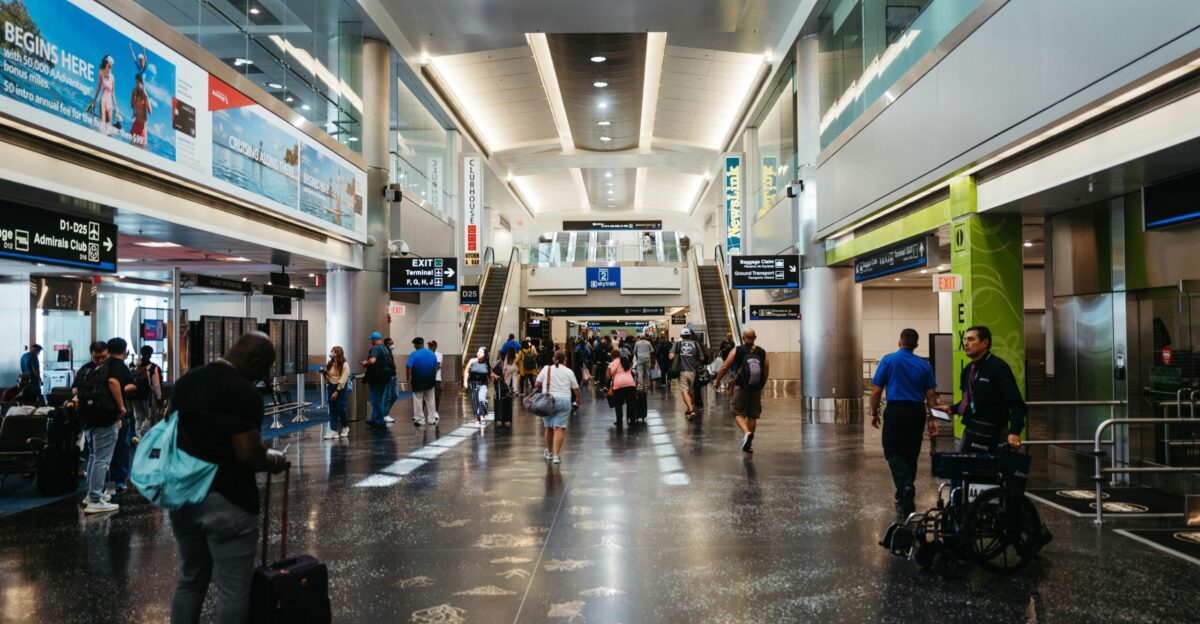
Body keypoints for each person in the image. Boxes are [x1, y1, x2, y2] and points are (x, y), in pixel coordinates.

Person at [168, 332, 291, 624]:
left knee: (190, 578)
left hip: (183, 494)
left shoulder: (186, 382)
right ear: (255, 361)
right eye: (263, 369)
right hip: (227, 498)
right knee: (232, 590)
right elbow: (247, 453)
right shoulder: (243, 391)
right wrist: (273, 461)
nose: (261, 377)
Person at [869, 328, 942, 516]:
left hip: (896, 411)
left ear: (899, 342)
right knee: (911, 452)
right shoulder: (924, 365)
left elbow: (876, 390)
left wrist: (874, 413)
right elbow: (931, 394)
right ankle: (903, 492)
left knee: (893, 450)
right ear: (916, 345)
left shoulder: (888, 360)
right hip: (917, 412)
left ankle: (906, 485)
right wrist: (934, 419)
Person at [957, 326, 1026, 453]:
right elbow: (970, 401)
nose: (965, 343)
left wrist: (1014, 432)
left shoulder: (998, 367)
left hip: (995, 433)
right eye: (965, 339)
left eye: (971, 339)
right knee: (964, 465)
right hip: (971, 430)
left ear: (984, 343)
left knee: (991, 466)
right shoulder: (968, 370)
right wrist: (951, 409)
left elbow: (1017, 403)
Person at [73, 341, 122, 513]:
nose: (100, 360)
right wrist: (121, 408)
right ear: (91, 354)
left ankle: (91, 494)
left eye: (103, 356)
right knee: (101, 459)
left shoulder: (84, 369)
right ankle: (95, 498)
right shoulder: (110, 369)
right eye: (97, 357)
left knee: (94, 457)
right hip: (105, 419)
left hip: (87, 419)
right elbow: (114, 384)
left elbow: (75, 391)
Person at [714, 328, 770, 454]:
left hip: (741, 386)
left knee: (737, 412)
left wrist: (717, 381)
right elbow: (766, 370)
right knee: (752, 416)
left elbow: (724, 367)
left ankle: (746, 433)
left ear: (743, 338)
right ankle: (749, 444)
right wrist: (761, 385)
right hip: (756, 387)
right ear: (755, 338)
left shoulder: (737, 350)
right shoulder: (762, 352)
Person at [105, 338, 138, 494]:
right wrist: (119, 393)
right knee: (121, 448)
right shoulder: (121, 367)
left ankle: (101, 485)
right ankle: (119, 481)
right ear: (125, 351)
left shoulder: (102, 366)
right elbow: (132, 385)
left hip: (101, 414)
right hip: (118, 413)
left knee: (100, 453)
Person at [535, 351, 580, 465]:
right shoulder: (569, 371)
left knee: (548, 428)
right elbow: (576, 388)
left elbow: (537, 384)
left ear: (553, 359)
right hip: (564, 401)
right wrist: (578, 398)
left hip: (547, 401)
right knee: (559, 428)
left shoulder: (546, 369)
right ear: (565, 360)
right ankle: (556, 456)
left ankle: (549, 452)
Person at [359, 331, 394, 429]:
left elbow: (373, 360)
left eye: (371, 339)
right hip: (384, 378)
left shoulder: (375, 348)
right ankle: (375, 419)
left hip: (376, 378)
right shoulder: (385, 349)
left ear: (374, 339)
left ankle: (379, 421)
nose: (371, 341)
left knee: (375, 400)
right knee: (379, 399)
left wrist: (365, 363)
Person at [670, 328, 706, 419]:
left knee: (684, 392)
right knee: (690, 392)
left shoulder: (678, 344)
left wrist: (677, 355)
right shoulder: (696, 344)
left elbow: (671, 356)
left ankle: (691, 409)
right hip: (693, 372)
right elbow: (702, 358)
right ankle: (689, 409)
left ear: (681, 336)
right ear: (689, 335)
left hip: (682, 371)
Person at [132, 345, 164, 442]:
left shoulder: (135, 367)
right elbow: (156, 384)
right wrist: (159, 398)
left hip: (135, 395)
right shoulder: (154, 367)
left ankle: (138, 435)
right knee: (149, 417)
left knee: (138, 416)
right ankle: (142, 437)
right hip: (148, 395)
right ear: (151, 354)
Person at [407, 337, 440, 427]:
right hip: (430, 381)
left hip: (417, 381)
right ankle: (431, 419)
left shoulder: (414, 354)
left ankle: (420, 420)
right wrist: (432, 376)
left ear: (416, 344)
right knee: (430, 400)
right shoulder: (431, 353)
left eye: (414, 344)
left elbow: (409, 367)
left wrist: (408, 379)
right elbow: (436, 367)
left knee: (418, 400)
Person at [321, 346, 350, 439]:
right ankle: (334, 431)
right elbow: (330, 377)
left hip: (341, 387)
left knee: (341, 409)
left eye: (333, 352)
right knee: (332, 409)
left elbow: (343, 379)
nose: (331, 353)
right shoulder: (330, 363)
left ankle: (345, 427)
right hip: (331, 386)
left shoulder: (344, 364)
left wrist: (337, 391)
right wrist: (325, 375)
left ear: (338, 353)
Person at [463, 347, 494, 427]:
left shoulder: (486, 362)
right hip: (473, 383)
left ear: (485, 355)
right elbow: (466, 371)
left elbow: (491, 372)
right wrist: (465, 382)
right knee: (475, 401)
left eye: (481, 352)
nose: (479, 353)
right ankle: (478, 417)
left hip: (483, 384)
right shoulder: (472, 361)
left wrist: (494, 375)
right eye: (478, 351)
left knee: (482, 399)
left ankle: (482, 416)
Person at [606, 347, 637, 429]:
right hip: (629, 383)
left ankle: (619, 421)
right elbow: (631, 371)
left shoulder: (611, 364)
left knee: (618, 404)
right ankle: (632, 419)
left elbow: (608, 376)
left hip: (618, 385)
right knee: (630, 403)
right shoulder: (625, 360)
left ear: (612, 356)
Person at [495, 349, 519, 427]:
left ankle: (507, 390)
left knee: (507, 381)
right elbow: (518, 361)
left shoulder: (507, 355)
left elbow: (505, 363)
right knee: (515, 380)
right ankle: (516, 391)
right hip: (515, 368)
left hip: (508, 368)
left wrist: (504, 369)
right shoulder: (516, 355)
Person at [381, 337, 398, 424]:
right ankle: (385, 414)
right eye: (391, 343)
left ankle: (385, 411)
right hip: (388, 376)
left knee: (395, 395)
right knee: (387, 396)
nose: (393, 345)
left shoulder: (389, 351)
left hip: (393, 375)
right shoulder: (385, 352)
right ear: (386, 344)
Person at [428, 340, 444, 410]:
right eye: (429, 346)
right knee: (426, 396)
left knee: (436, 396)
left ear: (436, 346)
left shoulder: (438, 355)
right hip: (427, 378)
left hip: (436, 379)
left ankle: (436, 411)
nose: (430, 347)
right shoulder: (426, 354)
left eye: (432, 346)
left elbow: (436, 367)